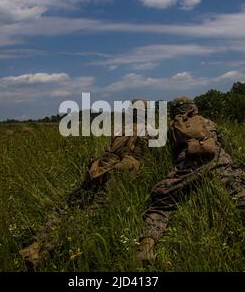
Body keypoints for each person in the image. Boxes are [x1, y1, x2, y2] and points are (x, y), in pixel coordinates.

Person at [136, 96, 245, 262]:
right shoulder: (209, 123)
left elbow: (171, 155)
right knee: (239, 187)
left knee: (162, 202)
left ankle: (147, 246)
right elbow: (225, 145)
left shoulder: (172, 128)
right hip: (219, 163)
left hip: (188, 169)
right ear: (193, 107)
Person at [20, 99, 149, 270]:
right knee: (84, 212)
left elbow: (118, 155)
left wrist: (102, 165)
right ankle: (42, 252)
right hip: (108, 177)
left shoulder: (123, 129)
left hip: (102, 174)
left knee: (70, 207)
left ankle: (38, 247)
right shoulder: (142, 131)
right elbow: (135, 160)